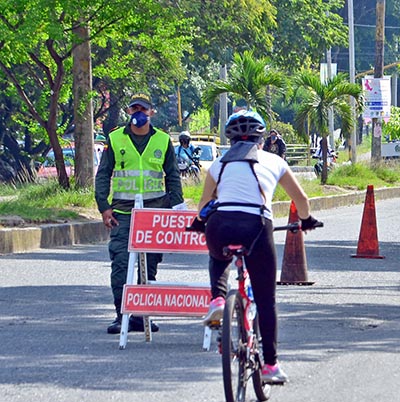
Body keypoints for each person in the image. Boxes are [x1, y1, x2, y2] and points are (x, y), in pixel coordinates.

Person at [194, 110, 321, 384]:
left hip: (220, 224)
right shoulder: (274, 160)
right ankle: (270, 366)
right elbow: (302, 199)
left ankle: (218, 299)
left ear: (231, 141)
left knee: (218, 257)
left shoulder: (218, 164)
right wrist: (307, 220)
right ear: (262, 139)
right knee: (265, 300)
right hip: (256, 226)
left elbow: (203, 206)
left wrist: (199, 223)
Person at [95, 93, 184, 334]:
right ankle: (121, 315)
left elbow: (173, 176)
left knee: (149, 266)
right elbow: (103, 174)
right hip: (123, 213)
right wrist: (103, 206)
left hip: (155, 214)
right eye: (134, 109)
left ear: (151, 112)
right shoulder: (115, 139)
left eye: (143, 109)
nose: (138, 114)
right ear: (128, 112)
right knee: (121, 265)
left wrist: (177, 210)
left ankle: (140, 314)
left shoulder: (163, 141)